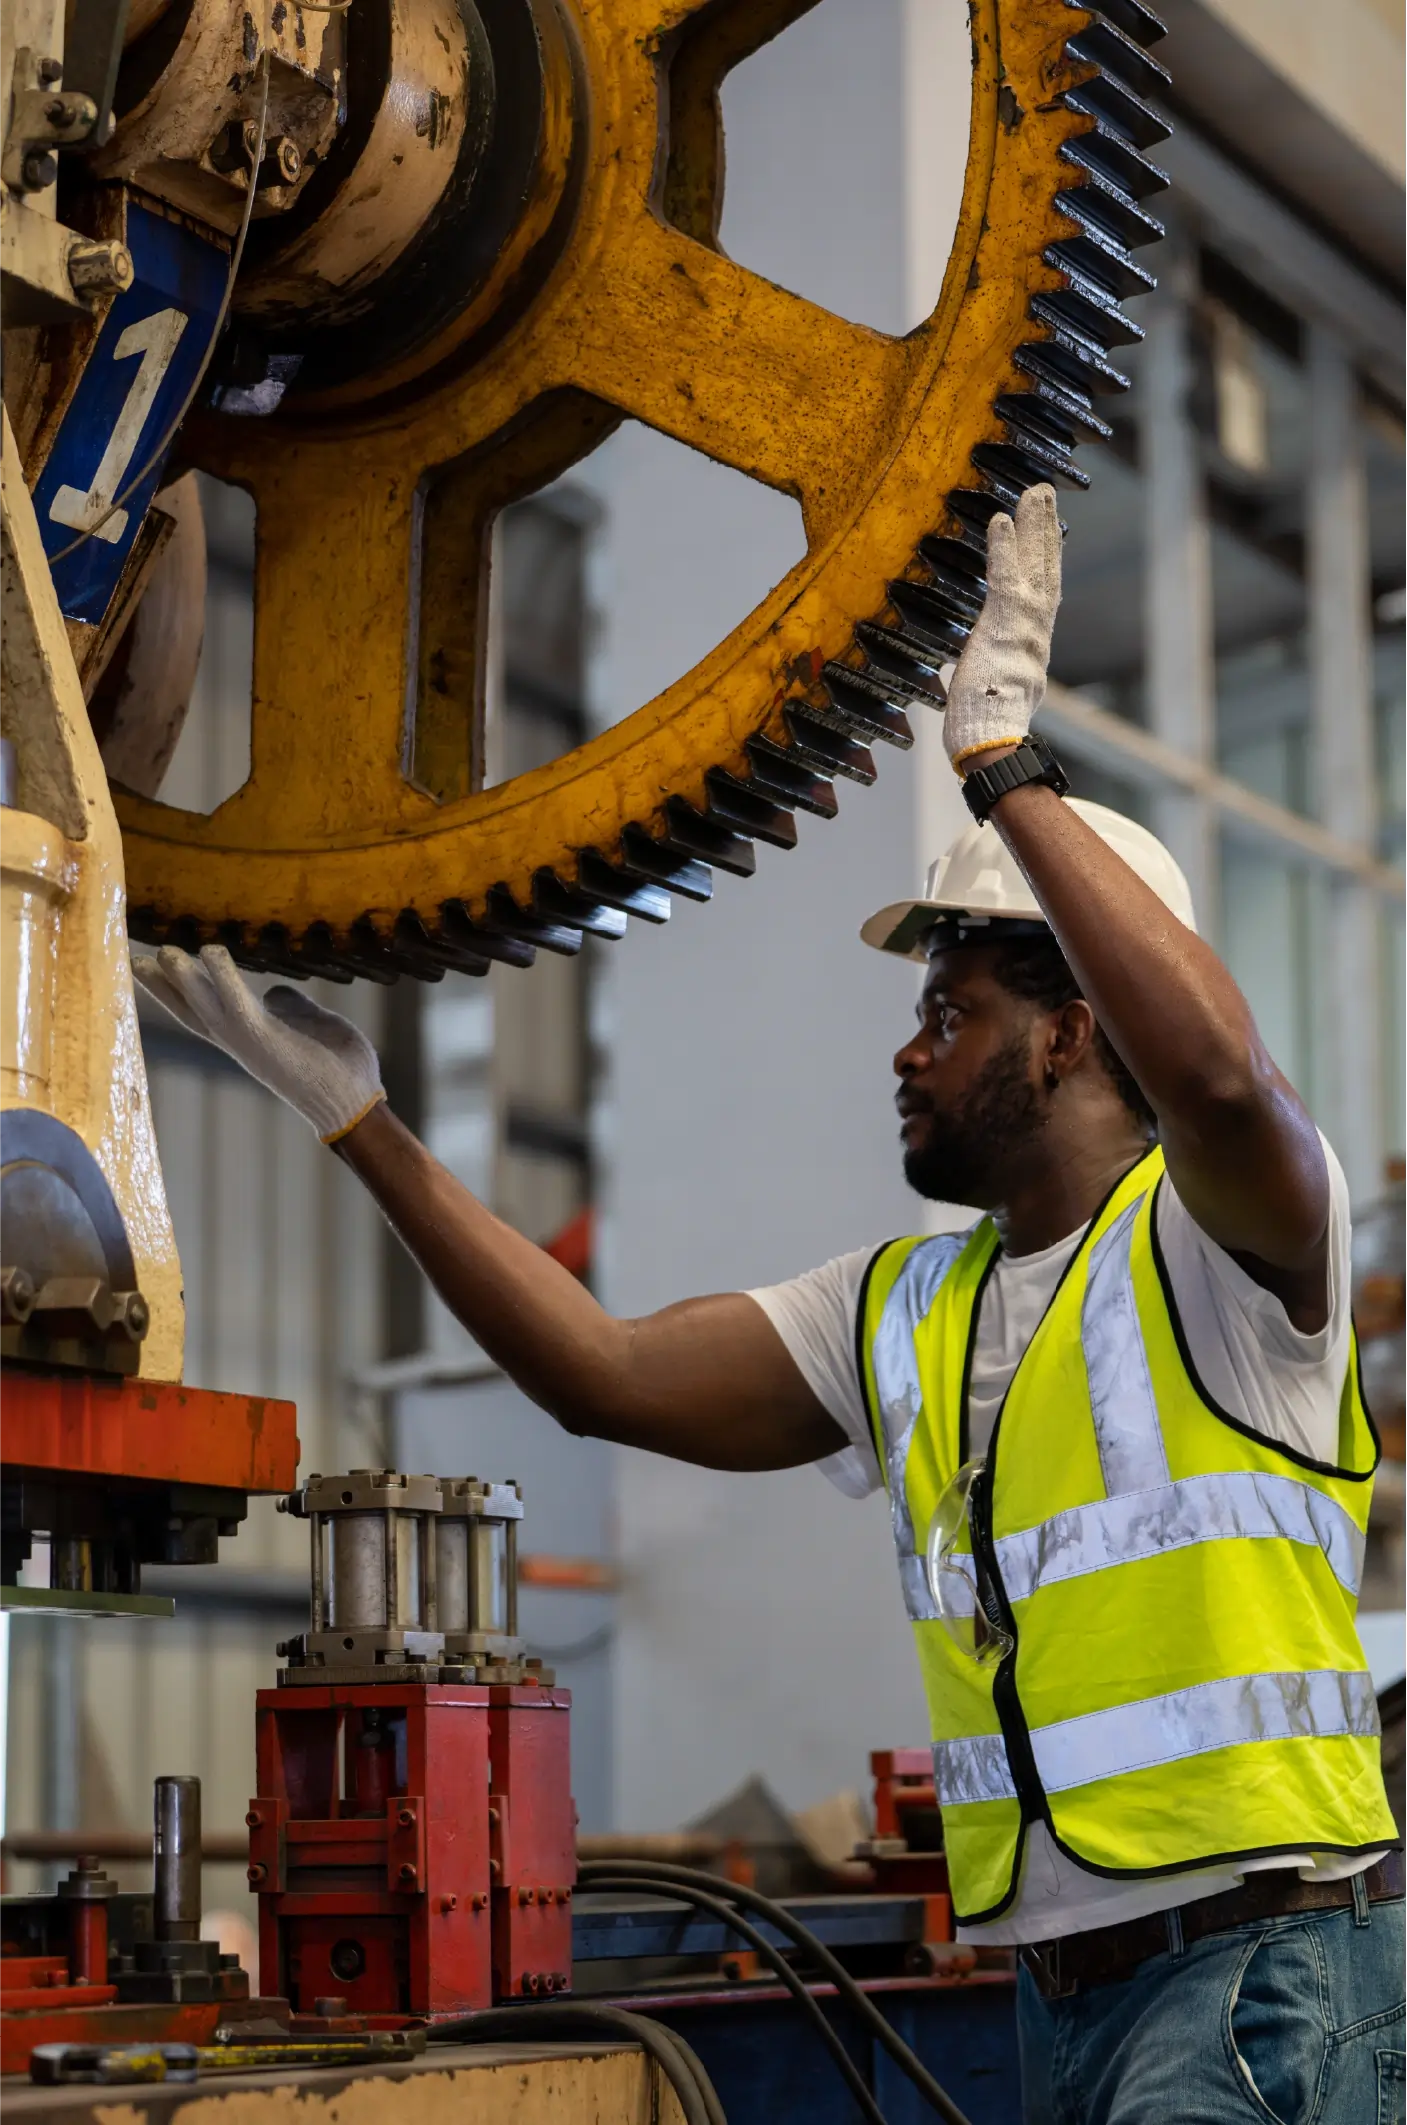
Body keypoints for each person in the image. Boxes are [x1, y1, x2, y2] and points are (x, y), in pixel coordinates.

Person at [136, 485, 1404, 2123]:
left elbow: (1224, 1080)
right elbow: (600, 1372)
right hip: (1064, 1989)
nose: (904, 1048)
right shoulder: (902, 1309)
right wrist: (353, 1119)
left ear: (1074, 1033)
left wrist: (1004, 772)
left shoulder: (1226, 1256)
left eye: (947, 1010)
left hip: (1259, 1982)